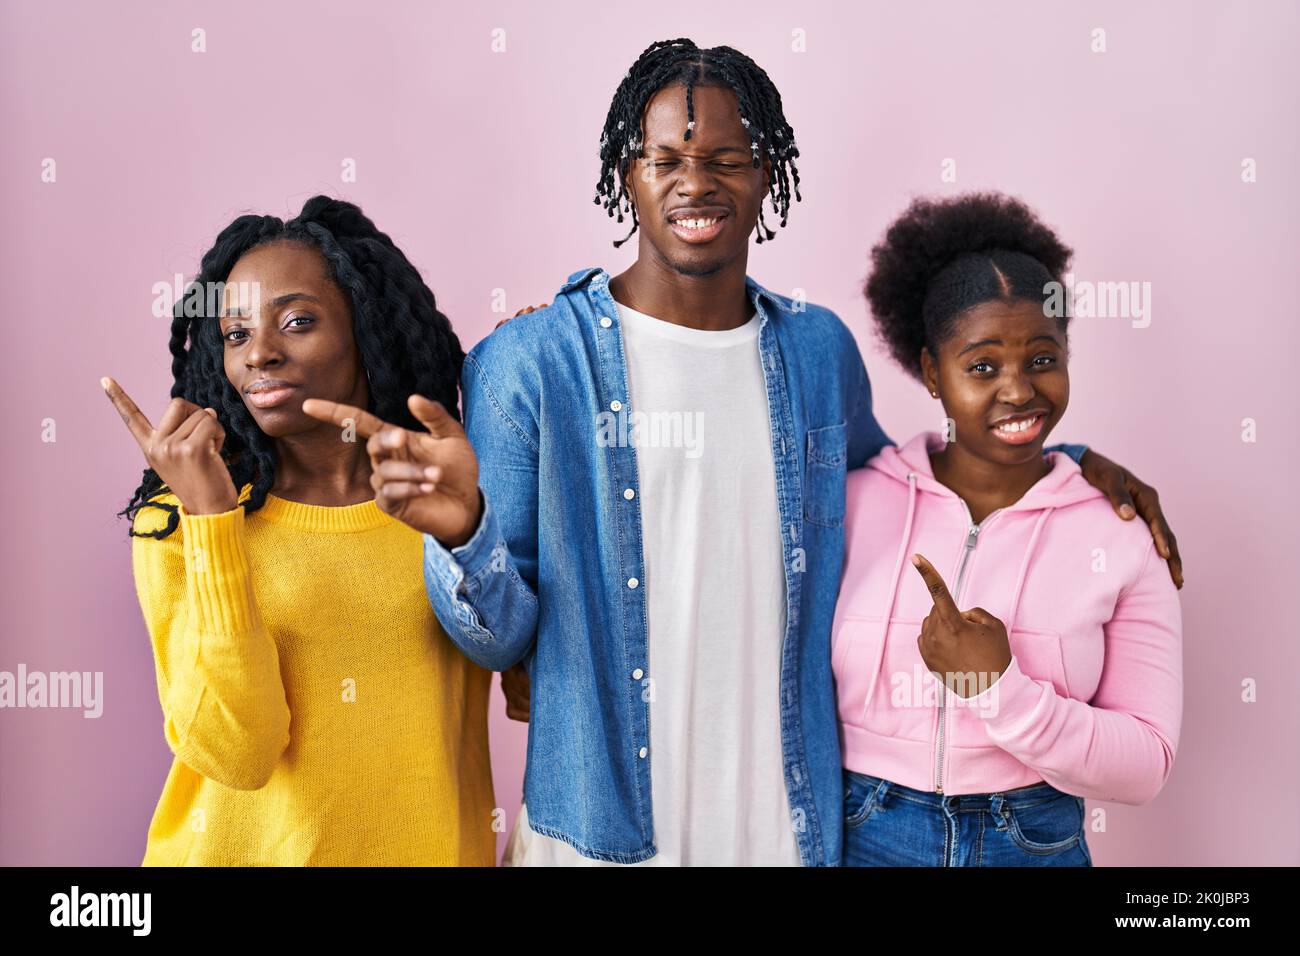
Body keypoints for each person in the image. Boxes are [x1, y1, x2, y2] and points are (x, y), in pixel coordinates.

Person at [305, 40, 1180, 866]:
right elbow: (499, 645)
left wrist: (1071, 465)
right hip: (601, 830)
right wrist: (465, 534)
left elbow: (909, 490)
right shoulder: (530, 368)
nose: (698, 182)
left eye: (728, 157)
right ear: (628, 177)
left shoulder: (817, 354)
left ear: (768, 174)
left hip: (787, 825)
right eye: (667, 159)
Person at [106, 196, 496, 865]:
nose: (260, 354)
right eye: (235, 335)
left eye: (297, 322)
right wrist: (213, 526)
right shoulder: (176, 524)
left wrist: (538, 385)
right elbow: (239, 752)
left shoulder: (445, 504)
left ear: (367, 333)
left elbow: (532, 685)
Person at [835, 192, 1183, 866]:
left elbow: (1146, 764)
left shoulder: (1120, 529)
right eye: (983, 367)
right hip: (864, 833)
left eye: (1043, 359)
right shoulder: (849, 502)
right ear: (933, 372)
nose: (1019, 390)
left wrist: (999, 690)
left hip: (1032, 836)